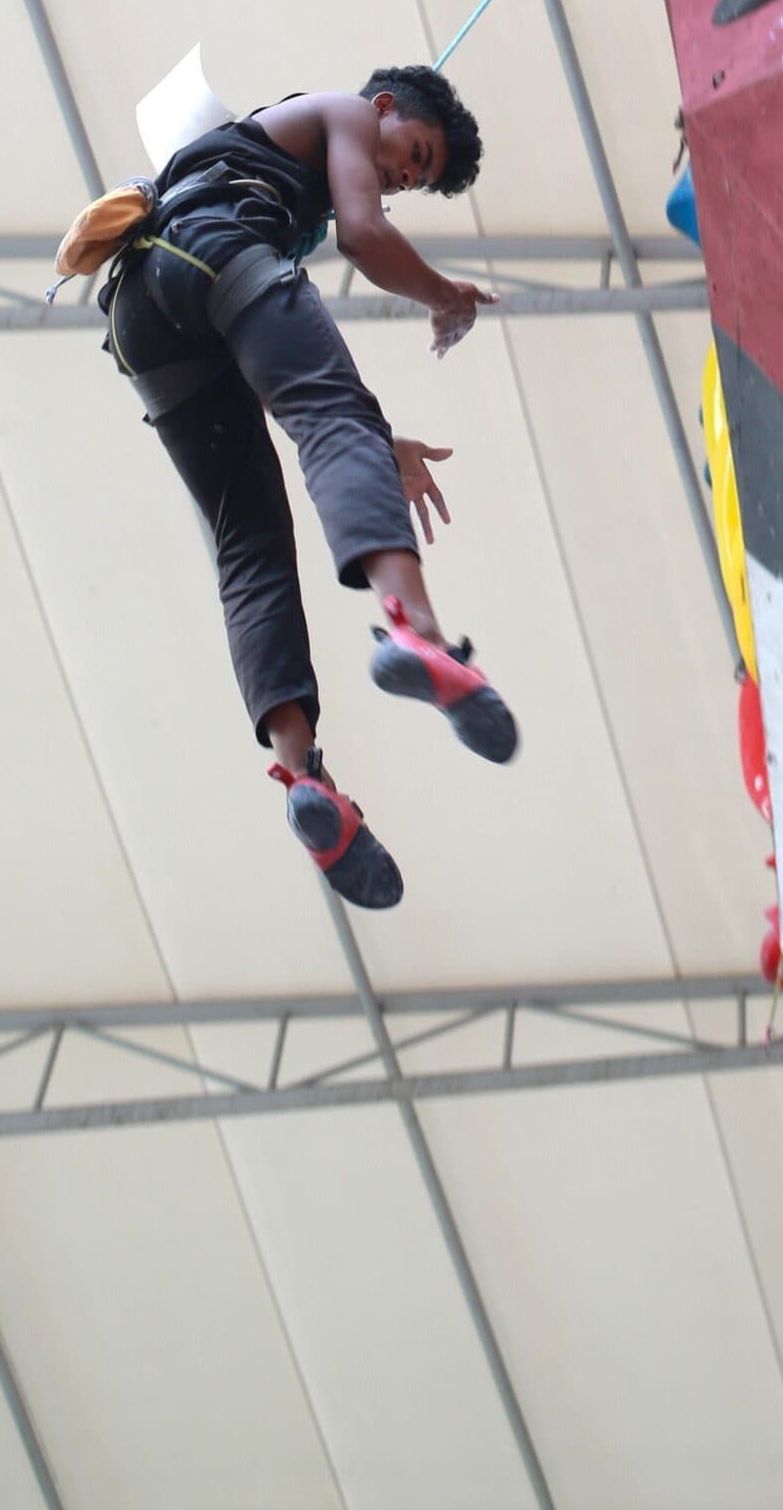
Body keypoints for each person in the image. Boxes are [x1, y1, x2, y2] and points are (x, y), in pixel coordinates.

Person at [101, 67, 514, 910]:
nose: (398, 178)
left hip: (141, 314)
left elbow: (270, 368)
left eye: (413, 182)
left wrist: (377, 434)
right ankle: (417, 632)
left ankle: (302, 776)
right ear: (389, 110)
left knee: (248, 537)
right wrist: (445, 299)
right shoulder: (351, 112)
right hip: (209, 251)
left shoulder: (252, 169)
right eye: (413, 156)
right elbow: (363, 237)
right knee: (336, 420)